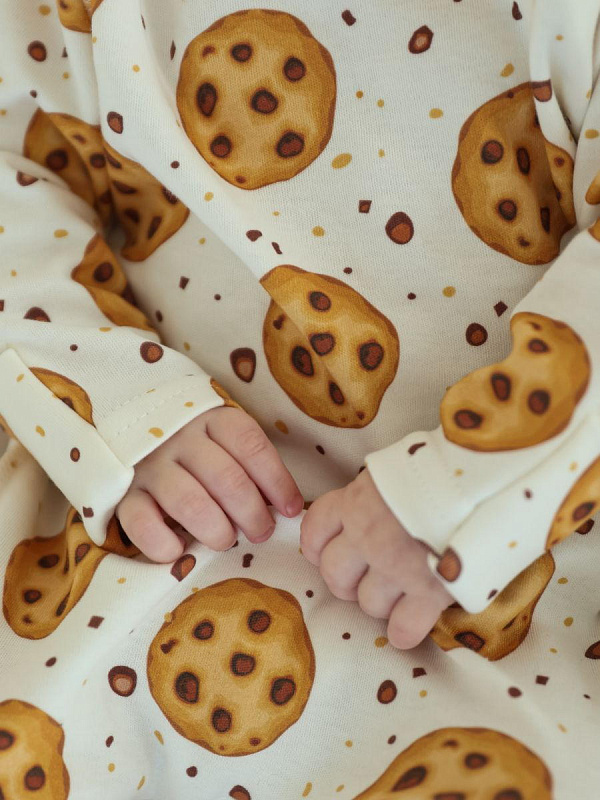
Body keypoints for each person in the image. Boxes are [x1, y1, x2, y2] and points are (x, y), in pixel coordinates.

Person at [0, 0, 599, 796]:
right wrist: (121, 401)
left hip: (530, 562)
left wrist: (465, 489)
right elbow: (15, 159)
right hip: (169, 497)